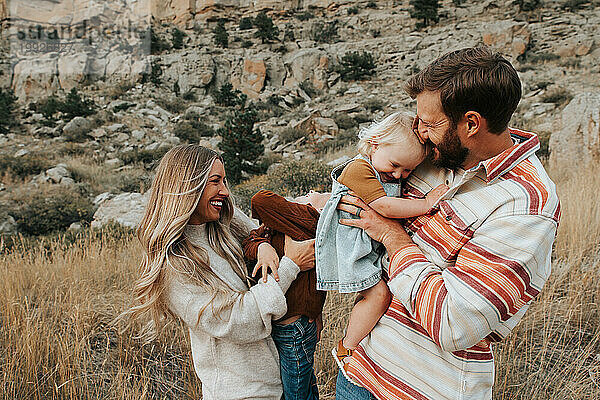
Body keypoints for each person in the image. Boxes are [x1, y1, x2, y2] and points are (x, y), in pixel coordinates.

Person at [334, 47, 561, 399]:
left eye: (430, 123)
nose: (420, 132)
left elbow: (454, 325)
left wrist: (392, 237)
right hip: (360, 368)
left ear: (471, 123)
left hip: (422, 389)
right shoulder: (430, 156)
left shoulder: (527, 204)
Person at [125, 144, 316, 400]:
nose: (225, 191)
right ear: (187, 186)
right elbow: (239, 321)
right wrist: (291, 266)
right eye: (215, 181)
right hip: (241, 393)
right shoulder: (175, 265)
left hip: (282, 381)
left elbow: (259, 236)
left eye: (224, 181)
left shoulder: (225, 223)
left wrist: (262, 246)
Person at [314, 112, 447, 370]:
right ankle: (347, 347)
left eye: (408, 170)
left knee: (377, 294)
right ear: (375, 144)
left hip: (366, 247)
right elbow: (384, 207)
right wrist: (428, 203)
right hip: (350, 248)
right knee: (379, 294)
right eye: (395, 165)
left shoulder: (381, 169)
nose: (398, 175)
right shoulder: (359, 168)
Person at [243, 189, 330, 400]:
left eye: (320, 194)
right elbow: (249, 243)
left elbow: (260, 200)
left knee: (295, 391)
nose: (312, 191)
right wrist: (262, 246)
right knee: (302, 382)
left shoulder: (310, 219)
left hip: (293, 329)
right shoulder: (281, 226)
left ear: (319, 210)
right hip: (280, 324)